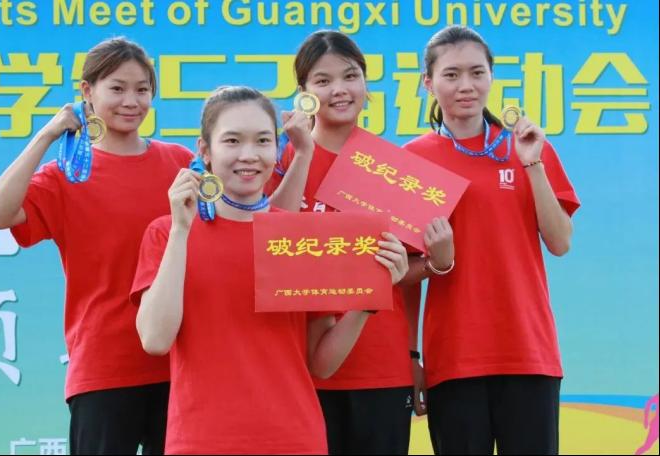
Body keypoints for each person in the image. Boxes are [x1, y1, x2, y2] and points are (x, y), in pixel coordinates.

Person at [130, 85, 410, 454]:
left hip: (294, 440)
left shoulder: (299, 238)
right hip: (202, 441)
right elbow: (155, 339)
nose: (249, 155)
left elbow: (321, 363)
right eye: (232, 141)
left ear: (276, 149)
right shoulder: (167, 232)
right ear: (205, 151)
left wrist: (366, 302)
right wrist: (182, 229)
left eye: (263, 141)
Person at [0, 37, 193, 455]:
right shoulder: (66, 175)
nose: (131, 101)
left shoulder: (179, 163)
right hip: (104, 367)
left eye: (142, 89)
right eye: (117, 88)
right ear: (87, 92)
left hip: (180, 361)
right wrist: (47, 134)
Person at [267, 30, 448, 455]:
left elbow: (404, 275)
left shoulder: (391, 168)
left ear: (366, 84)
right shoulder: (279, 159)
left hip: (380, 367)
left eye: (350, 76)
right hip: (299, 368)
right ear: (304, 92)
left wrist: (413, 350)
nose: (339, 90)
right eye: (323, 80)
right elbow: (268, 245)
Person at [403, 25, 581, 454]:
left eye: (477, 72)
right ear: (428, 82)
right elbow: (402, 274)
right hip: (454, 357)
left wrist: (532, 164)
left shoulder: (529, 147)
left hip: (528, 350)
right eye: (451, 75)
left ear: (491, 76)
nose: (465, 85)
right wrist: (411, 357)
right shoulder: (411, 161)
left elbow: (560, 242)